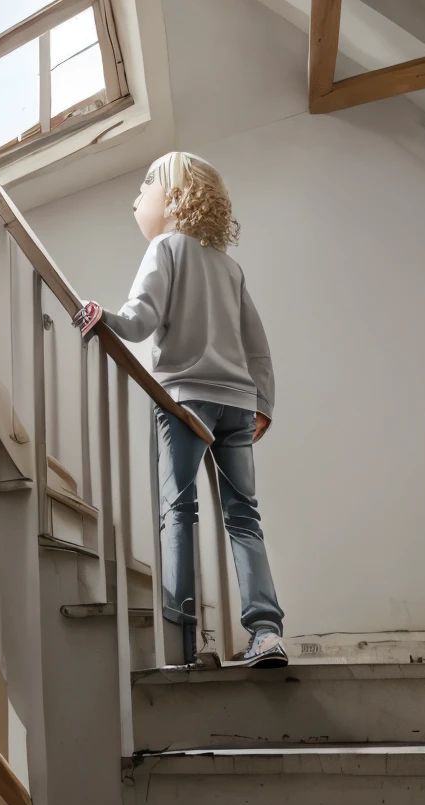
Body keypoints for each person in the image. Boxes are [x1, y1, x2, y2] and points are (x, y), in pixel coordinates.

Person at [76, 152, 286, 669]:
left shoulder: (164, 249)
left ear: (172, 195)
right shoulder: (229, 267)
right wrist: (264, 403)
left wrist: (106, 320)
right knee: (244, 518)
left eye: (144, 186)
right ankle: (267, 632)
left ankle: (184, 641)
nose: (135, 199)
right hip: (237, 405)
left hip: (185, 401)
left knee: (179, 513)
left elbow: (141, 319)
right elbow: (258, 347)